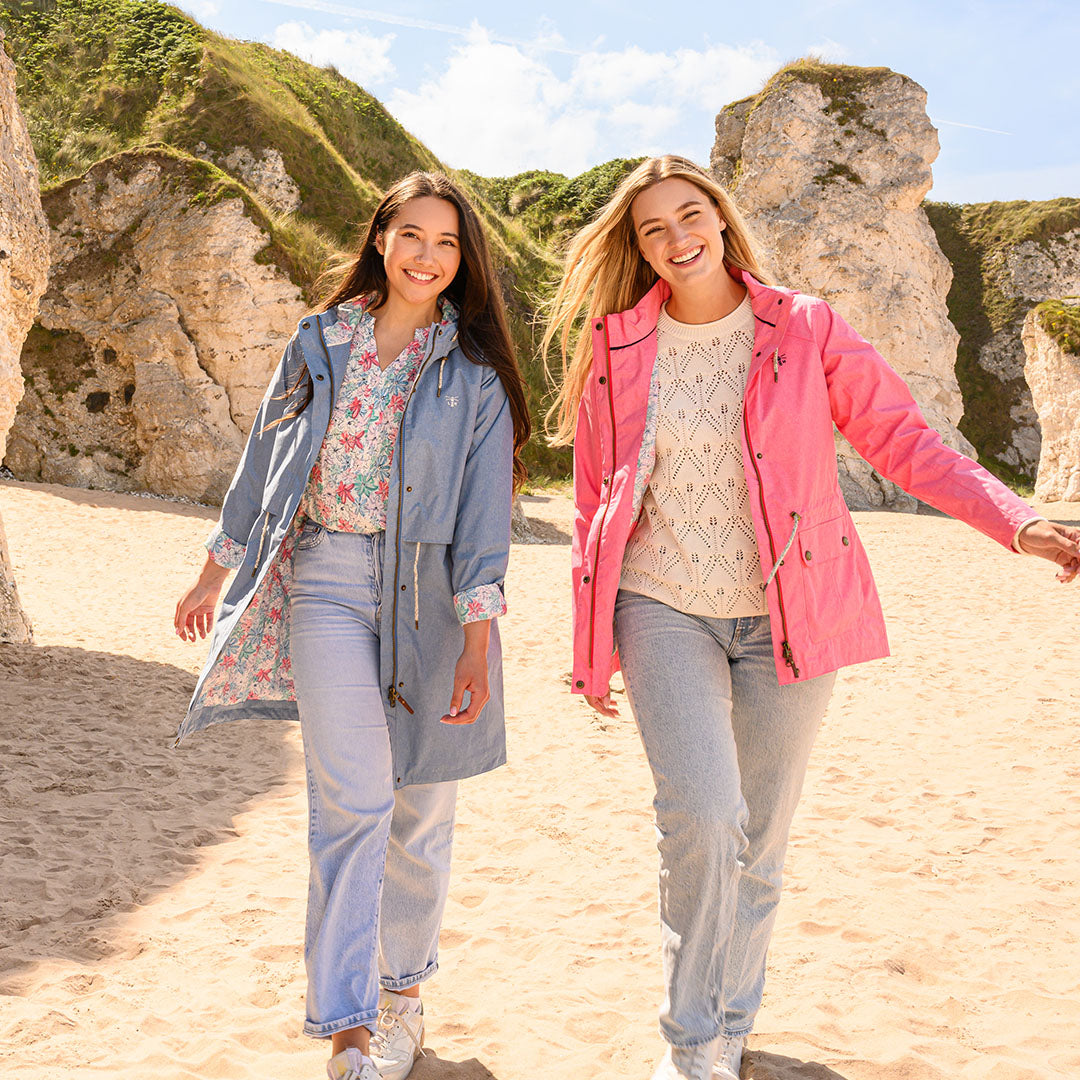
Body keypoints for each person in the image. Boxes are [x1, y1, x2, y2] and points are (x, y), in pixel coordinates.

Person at [544, 154, 1078, 1080]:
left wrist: (1018, 520)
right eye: (652, 228)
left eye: (690, 214)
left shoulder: (804, 327)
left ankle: (726, 1027)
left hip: (793, 612)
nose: (677, 239)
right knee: (703, 819)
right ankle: (687, 1042)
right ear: (636, 249)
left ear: (721, 217)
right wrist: (591, 644)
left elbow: (904, 439)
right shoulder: (616, 346)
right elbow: (599, 501)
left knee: (758, 837)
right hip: (662, 605)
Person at [173, 171, 530, 1080]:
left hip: (431, 600)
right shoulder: (319, 341)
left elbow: (486, 520)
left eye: (447, 243)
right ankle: (348, 1029)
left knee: (422, 810)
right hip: (324, 581)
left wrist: (479, 644)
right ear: (381, 238)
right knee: (354, 803)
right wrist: (215, 572)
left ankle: (403, 992)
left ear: (463, 261)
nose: (427, 256)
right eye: (411, 234)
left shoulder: (474, 376)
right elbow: (264, 460)